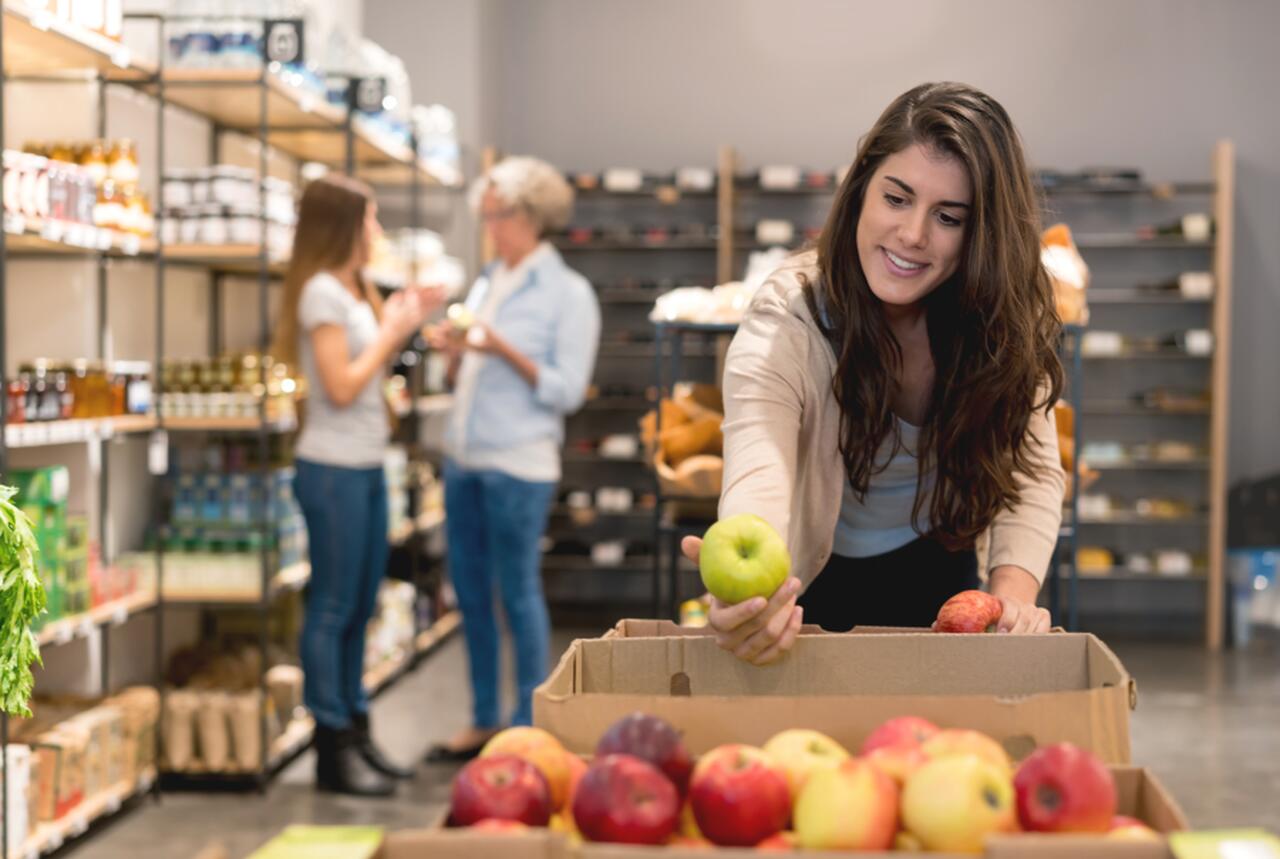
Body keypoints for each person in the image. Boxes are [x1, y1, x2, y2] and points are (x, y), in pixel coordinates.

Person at [683, 82, 1066, 665]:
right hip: (813, 575)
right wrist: (749, 582)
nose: (912, 234)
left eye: (947, 216)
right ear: (861, 189)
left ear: (980, 234)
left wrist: (1010, 601)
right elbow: (759, 458)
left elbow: (1033, 470)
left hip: (944, 566)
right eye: (896, 198)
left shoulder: (1002, 324)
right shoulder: (792, 314)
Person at [423, 157, 600, 762]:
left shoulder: (568, 294)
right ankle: (481, 718)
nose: (490, 227)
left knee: (517, 592)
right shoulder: (488, 280)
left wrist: (499, 349)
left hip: (520, 464)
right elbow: (473, 366)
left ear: (530, 216)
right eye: (487, 216)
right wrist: (455, 355)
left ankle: (527, 726)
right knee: (469, 591)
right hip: (464, 456)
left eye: (497, 216)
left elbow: (566, 389)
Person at [274, 175, 443, 795]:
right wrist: (393, 332)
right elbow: (342, 386)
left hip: (367, 466)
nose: (376, 231)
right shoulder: (321, 291)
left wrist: (404, 322)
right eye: (369, 219)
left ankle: (356, 732)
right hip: (333, 469)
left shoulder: (355, 288)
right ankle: (331, 748)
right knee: (335, 609)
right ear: (342, 225)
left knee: (362, 606)